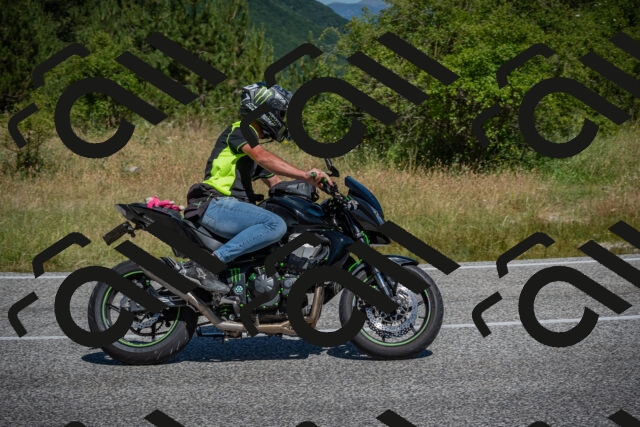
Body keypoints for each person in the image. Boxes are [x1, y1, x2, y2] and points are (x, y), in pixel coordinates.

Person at [176, 82, 333, 294]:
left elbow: (277, 184)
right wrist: (304, 174)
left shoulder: (249, 152)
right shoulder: (241, 131)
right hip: (214, 203)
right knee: (274, 224)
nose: (283, 119)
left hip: (228, 208)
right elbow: (264, 158)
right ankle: (205, 267)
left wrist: (312, 188)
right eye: (281, 113)